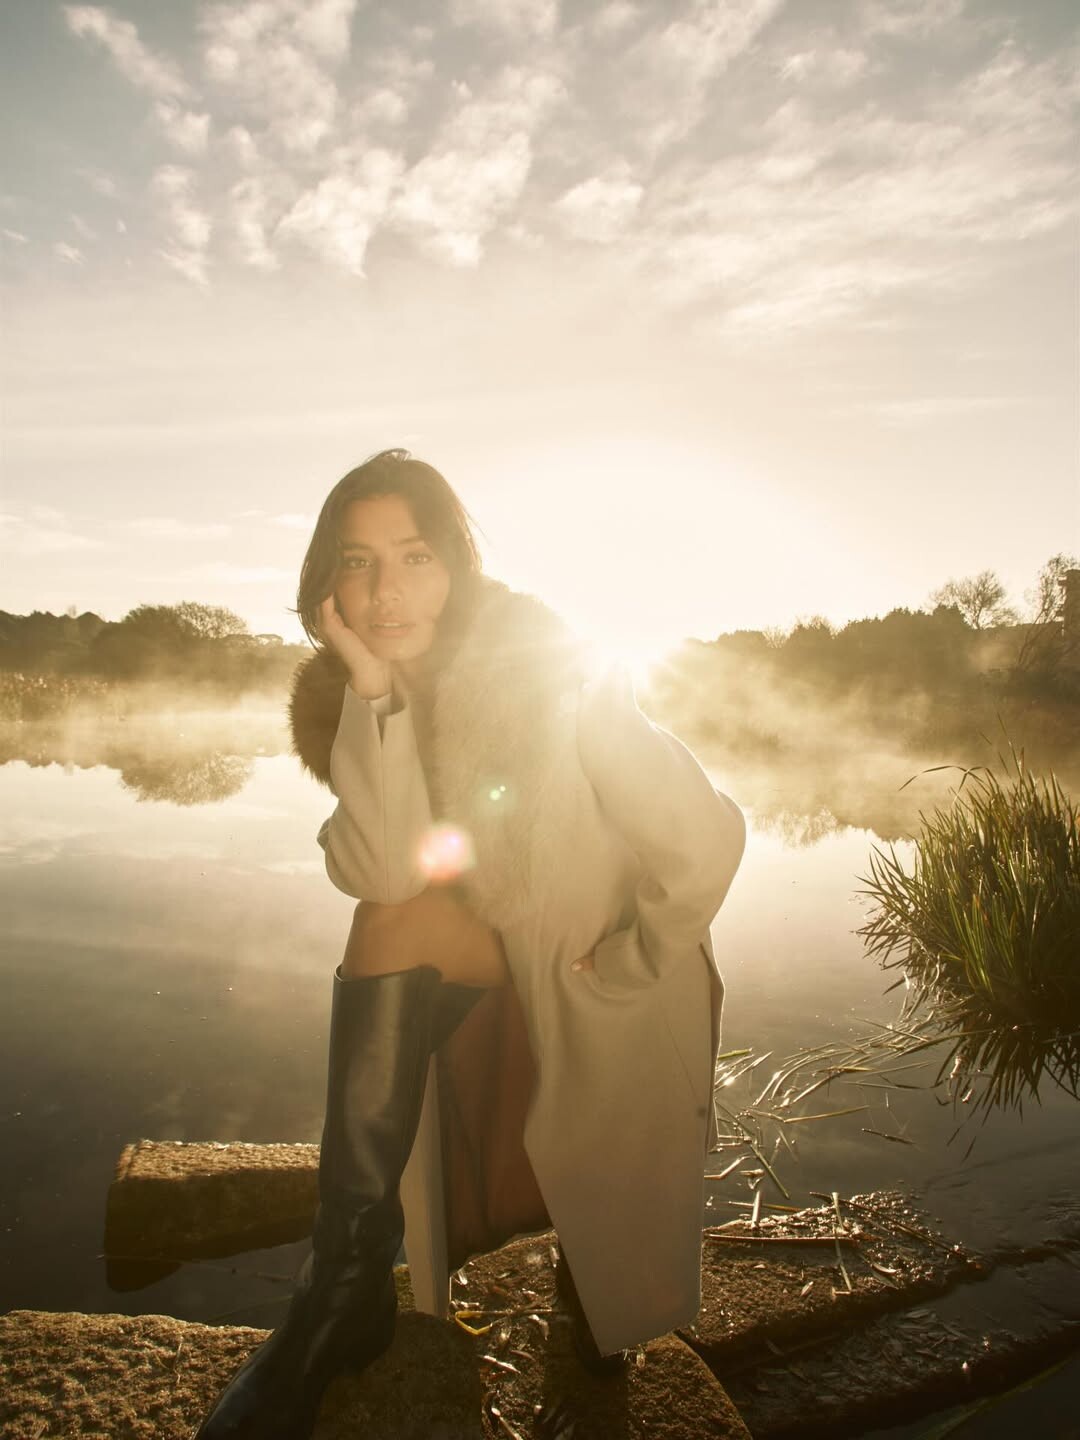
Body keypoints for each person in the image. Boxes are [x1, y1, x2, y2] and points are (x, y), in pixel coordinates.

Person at [194, 449, 746, 1439]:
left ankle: (590, 1320)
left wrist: (634, 958)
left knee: (601, 1323)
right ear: (328, 585)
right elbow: (386, 872)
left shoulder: (549, 676)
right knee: (386, 922)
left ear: (456, 568)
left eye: (415, 557)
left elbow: (707, 838)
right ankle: (340, 1296)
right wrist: (373, 692)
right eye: (359, 562)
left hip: (607, 970)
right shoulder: (356, 700)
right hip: (498, 953)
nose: (387, 591)